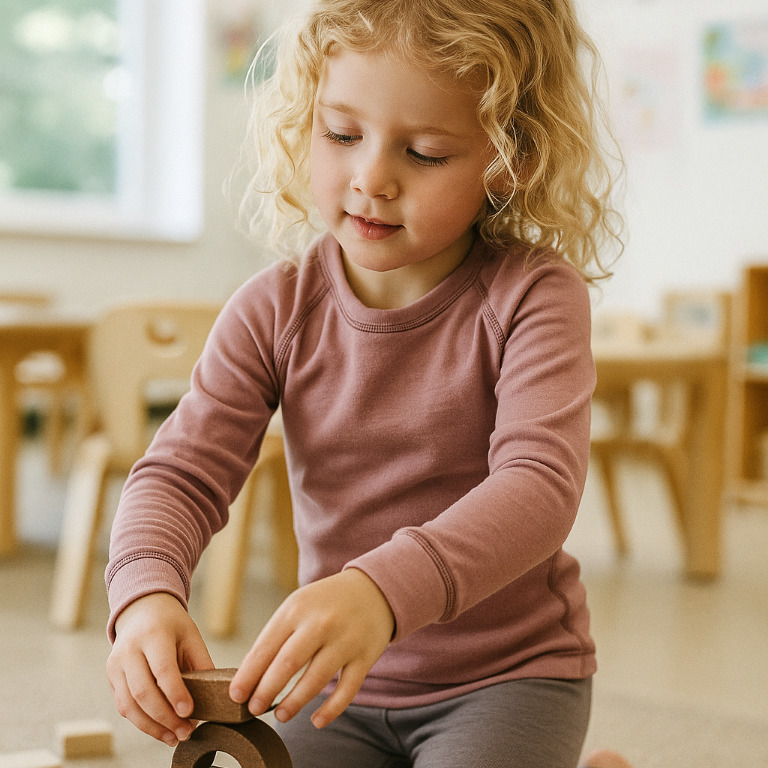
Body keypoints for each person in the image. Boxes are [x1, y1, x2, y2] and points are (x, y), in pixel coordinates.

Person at [105, 1, 629, 766]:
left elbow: (539, 487)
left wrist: (381, 593)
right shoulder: (272, 309)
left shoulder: (535, 296)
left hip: (507, 680)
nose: (372, 178)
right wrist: (145, 593)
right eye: (342, 135)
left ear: (510, 157)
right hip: (330, 688)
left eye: (425, 152)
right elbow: (180, 473)